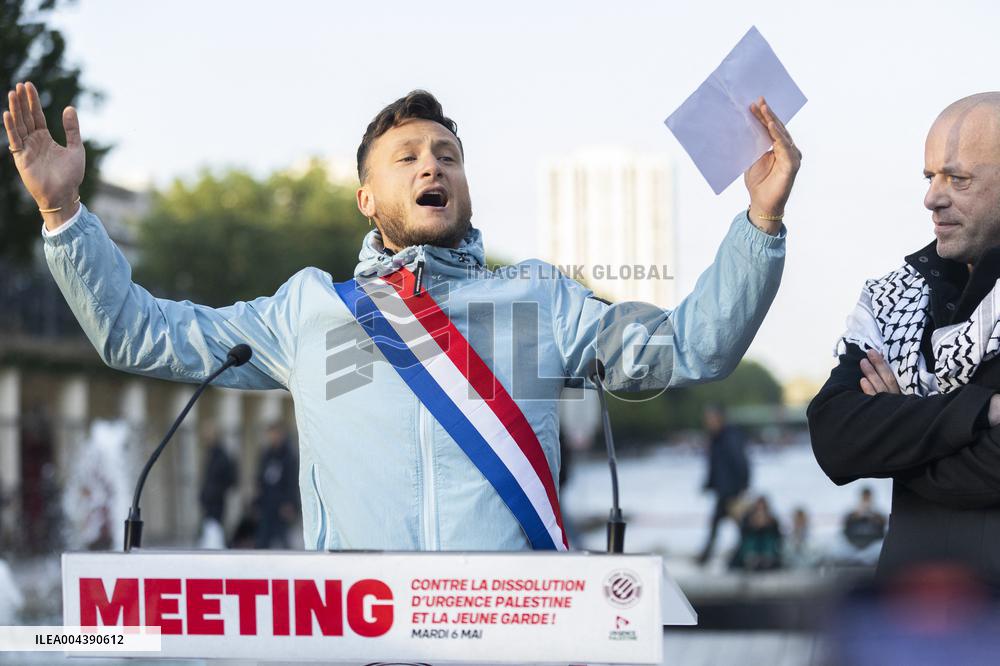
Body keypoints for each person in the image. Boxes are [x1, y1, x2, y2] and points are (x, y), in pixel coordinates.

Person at [4, 82, 800, 551]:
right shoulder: (311, 313)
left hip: (518, 647)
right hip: (359, 646)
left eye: (447, 155)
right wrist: (66, 214)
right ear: (367, 197)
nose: (432, 165)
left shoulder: (537, 301)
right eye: (409, 156)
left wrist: (759, 225)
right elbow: (141, 334)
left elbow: (691, 349)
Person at [809, 92, 1000, 581]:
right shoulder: (893, 297)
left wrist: (897, 427)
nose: (932, 197)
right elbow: (835, 437)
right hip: (905, 622)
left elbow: (990, 473)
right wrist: (981, 411)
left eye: (957, 178)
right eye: (930, 177)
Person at [696, 404, 750, 565]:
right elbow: (715, 466)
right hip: (724, 490)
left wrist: (742, 486)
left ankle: (709, 557)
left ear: (719, 418)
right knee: (727, 525)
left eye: (710, 418)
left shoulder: (729, 437)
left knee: (736, 525)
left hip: (731, 491)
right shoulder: (716, 438)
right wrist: (708, 484)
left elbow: (740, 462)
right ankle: (711, 556)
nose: (708, 422)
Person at [253, 423, 298, 549]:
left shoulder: (289, 456)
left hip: (281, 506)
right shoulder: (266, 454)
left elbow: (292, 481)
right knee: (262, 542)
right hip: (267, 505)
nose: (272, 437)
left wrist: (290, 503)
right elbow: (260, 479)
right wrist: (257, 502)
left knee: (283, 541)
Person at [197, 422, 238, 548]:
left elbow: (230, 480)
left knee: (215, 534)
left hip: (217, 502)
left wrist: (215, 492)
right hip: (209, 501)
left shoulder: (221, 456)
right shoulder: (211, 455)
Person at [729, 495, 783, 572]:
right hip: (752, 547)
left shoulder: (772, 520)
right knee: (751, 539)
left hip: (766, 547)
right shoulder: (748, 519)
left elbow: (778, 536)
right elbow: (742, 534)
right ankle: (751, 558)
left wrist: (767, 524)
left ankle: (766, 558)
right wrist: (753, 525)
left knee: (768, 538)